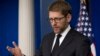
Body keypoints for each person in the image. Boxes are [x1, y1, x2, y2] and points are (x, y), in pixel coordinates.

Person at [7, 1, 91, 56]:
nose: (53, 23)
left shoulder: (81, 41)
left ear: (68, 18)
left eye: (57, 19)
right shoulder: (46, 39)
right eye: (51, 19)